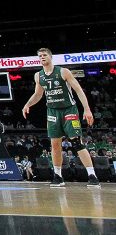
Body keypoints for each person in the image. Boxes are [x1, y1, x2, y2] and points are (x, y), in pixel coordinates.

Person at [22, 47, 99, 187]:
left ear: (51, 57)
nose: (42, 57)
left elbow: (78, 90)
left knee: (76, 142)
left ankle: (92, 175)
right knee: (55, 144)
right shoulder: (38, 76)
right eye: (40, 56)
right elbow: (38, 94)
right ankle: (58, 176)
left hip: (69, 110)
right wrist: (27, 104)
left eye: (44, 55)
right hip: (52, 112)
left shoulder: (63, 72)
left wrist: (87, 109)